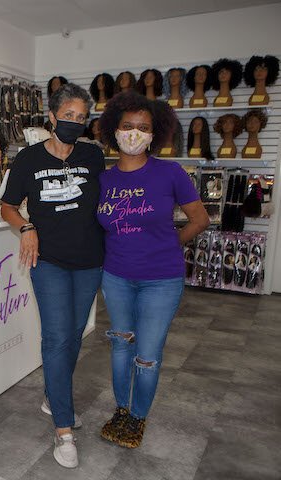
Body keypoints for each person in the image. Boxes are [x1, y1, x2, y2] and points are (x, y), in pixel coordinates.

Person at [96, 92, 209, 449]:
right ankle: (121, 410)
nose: (134, 133)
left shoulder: (170, 173)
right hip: (116, 276)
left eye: (142, 128)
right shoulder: (103, 180)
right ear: (114, 129)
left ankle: (139, 417)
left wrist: (169, 245)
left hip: (161, 279)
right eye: (127, 126)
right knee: (119, 346)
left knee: (147, 355)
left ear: (154, 133)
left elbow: (200, 219)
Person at [0, 83, 104, 469]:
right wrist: (27, 228)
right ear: (52, 116)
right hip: (49, 261)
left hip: (90, 259)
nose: (75, 122)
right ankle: (63, 427)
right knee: (58, 336)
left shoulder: (93, 156)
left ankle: (52, 394)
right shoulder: (28, 159)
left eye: (82, 117)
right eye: (69, 116)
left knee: (74, 335)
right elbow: (7, 207)